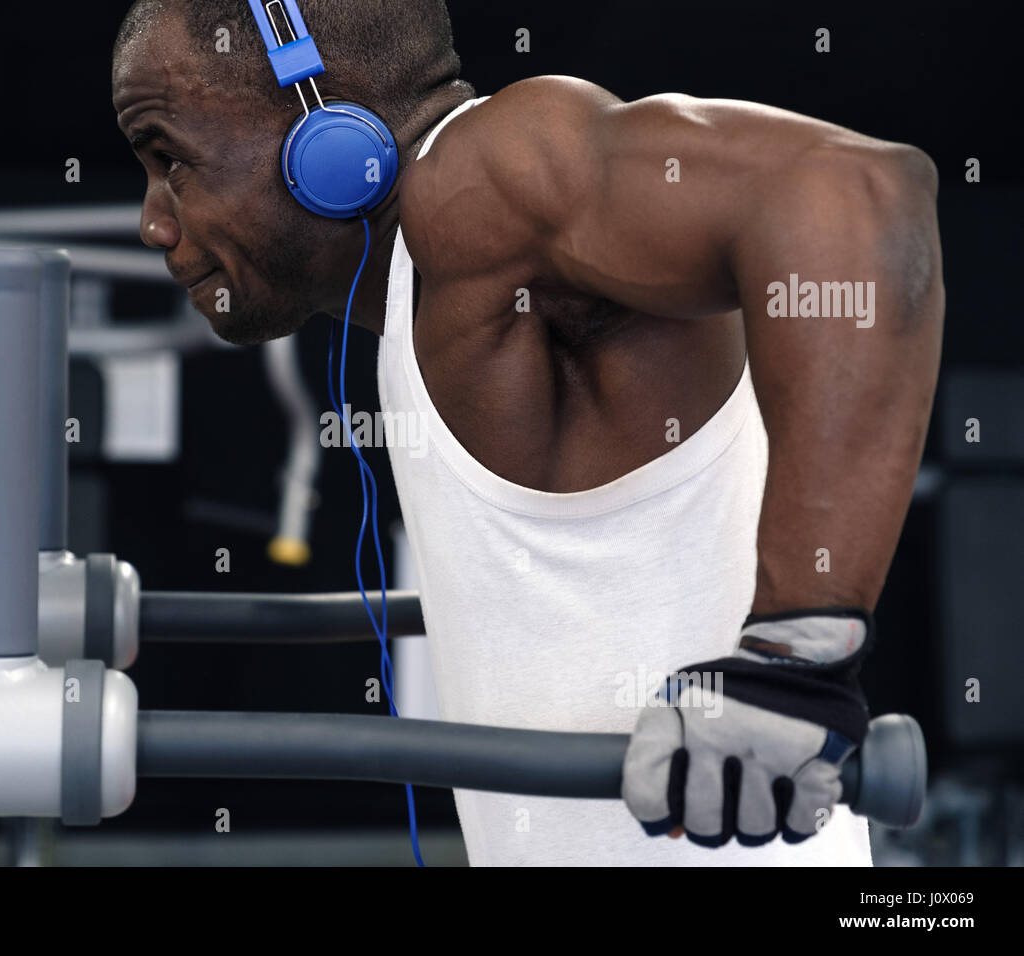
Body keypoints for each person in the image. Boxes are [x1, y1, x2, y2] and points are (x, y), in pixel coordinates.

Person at [111, 0, 943, 865]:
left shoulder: (485, 185)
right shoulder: (433, 282)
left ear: (325, 137)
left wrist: (800, 655)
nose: (153, 222)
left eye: (172, 159)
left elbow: (858, 194)